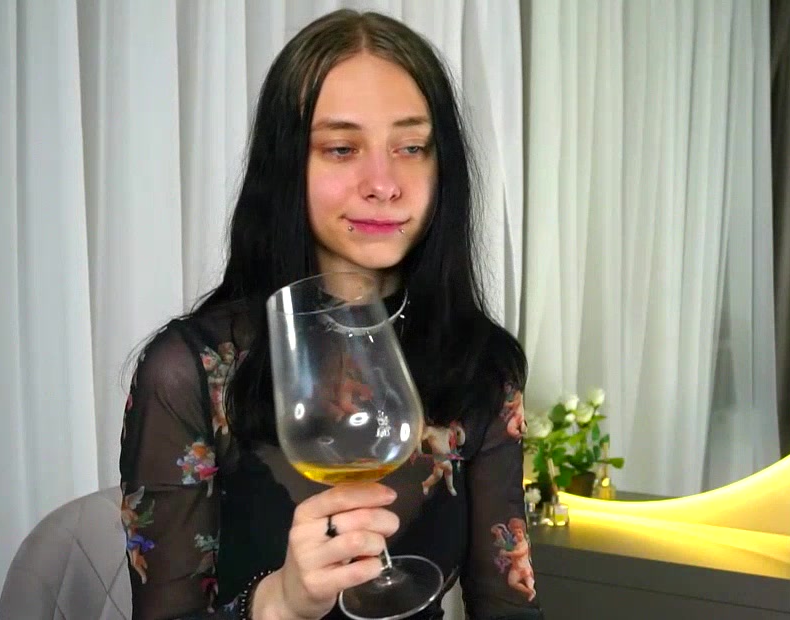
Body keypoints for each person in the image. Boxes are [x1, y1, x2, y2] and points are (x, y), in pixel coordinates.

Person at [118, 9, 541, 620]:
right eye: (342, 148)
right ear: (286, 165)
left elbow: (509, 607)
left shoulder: (482, 365)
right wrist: (282, 602)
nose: (384, 183)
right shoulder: (190, 371)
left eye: (411, 147)